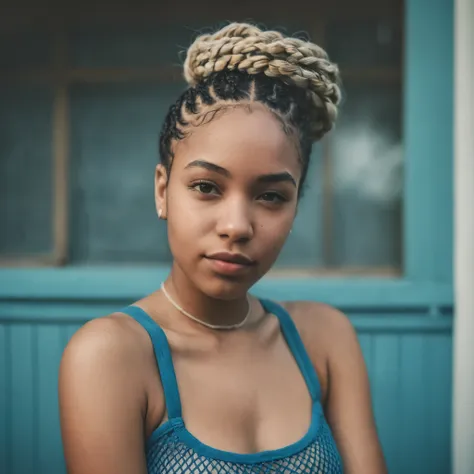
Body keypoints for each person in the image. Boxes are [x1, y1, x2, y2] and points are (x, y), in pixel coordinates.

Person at [58, 22, 387, 474]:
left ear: (295, 207)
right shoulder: (112, 357)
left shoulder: (324, 341)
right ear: (162, 191)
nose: (236, 226)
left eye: (271, 196)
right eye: (206, 186)